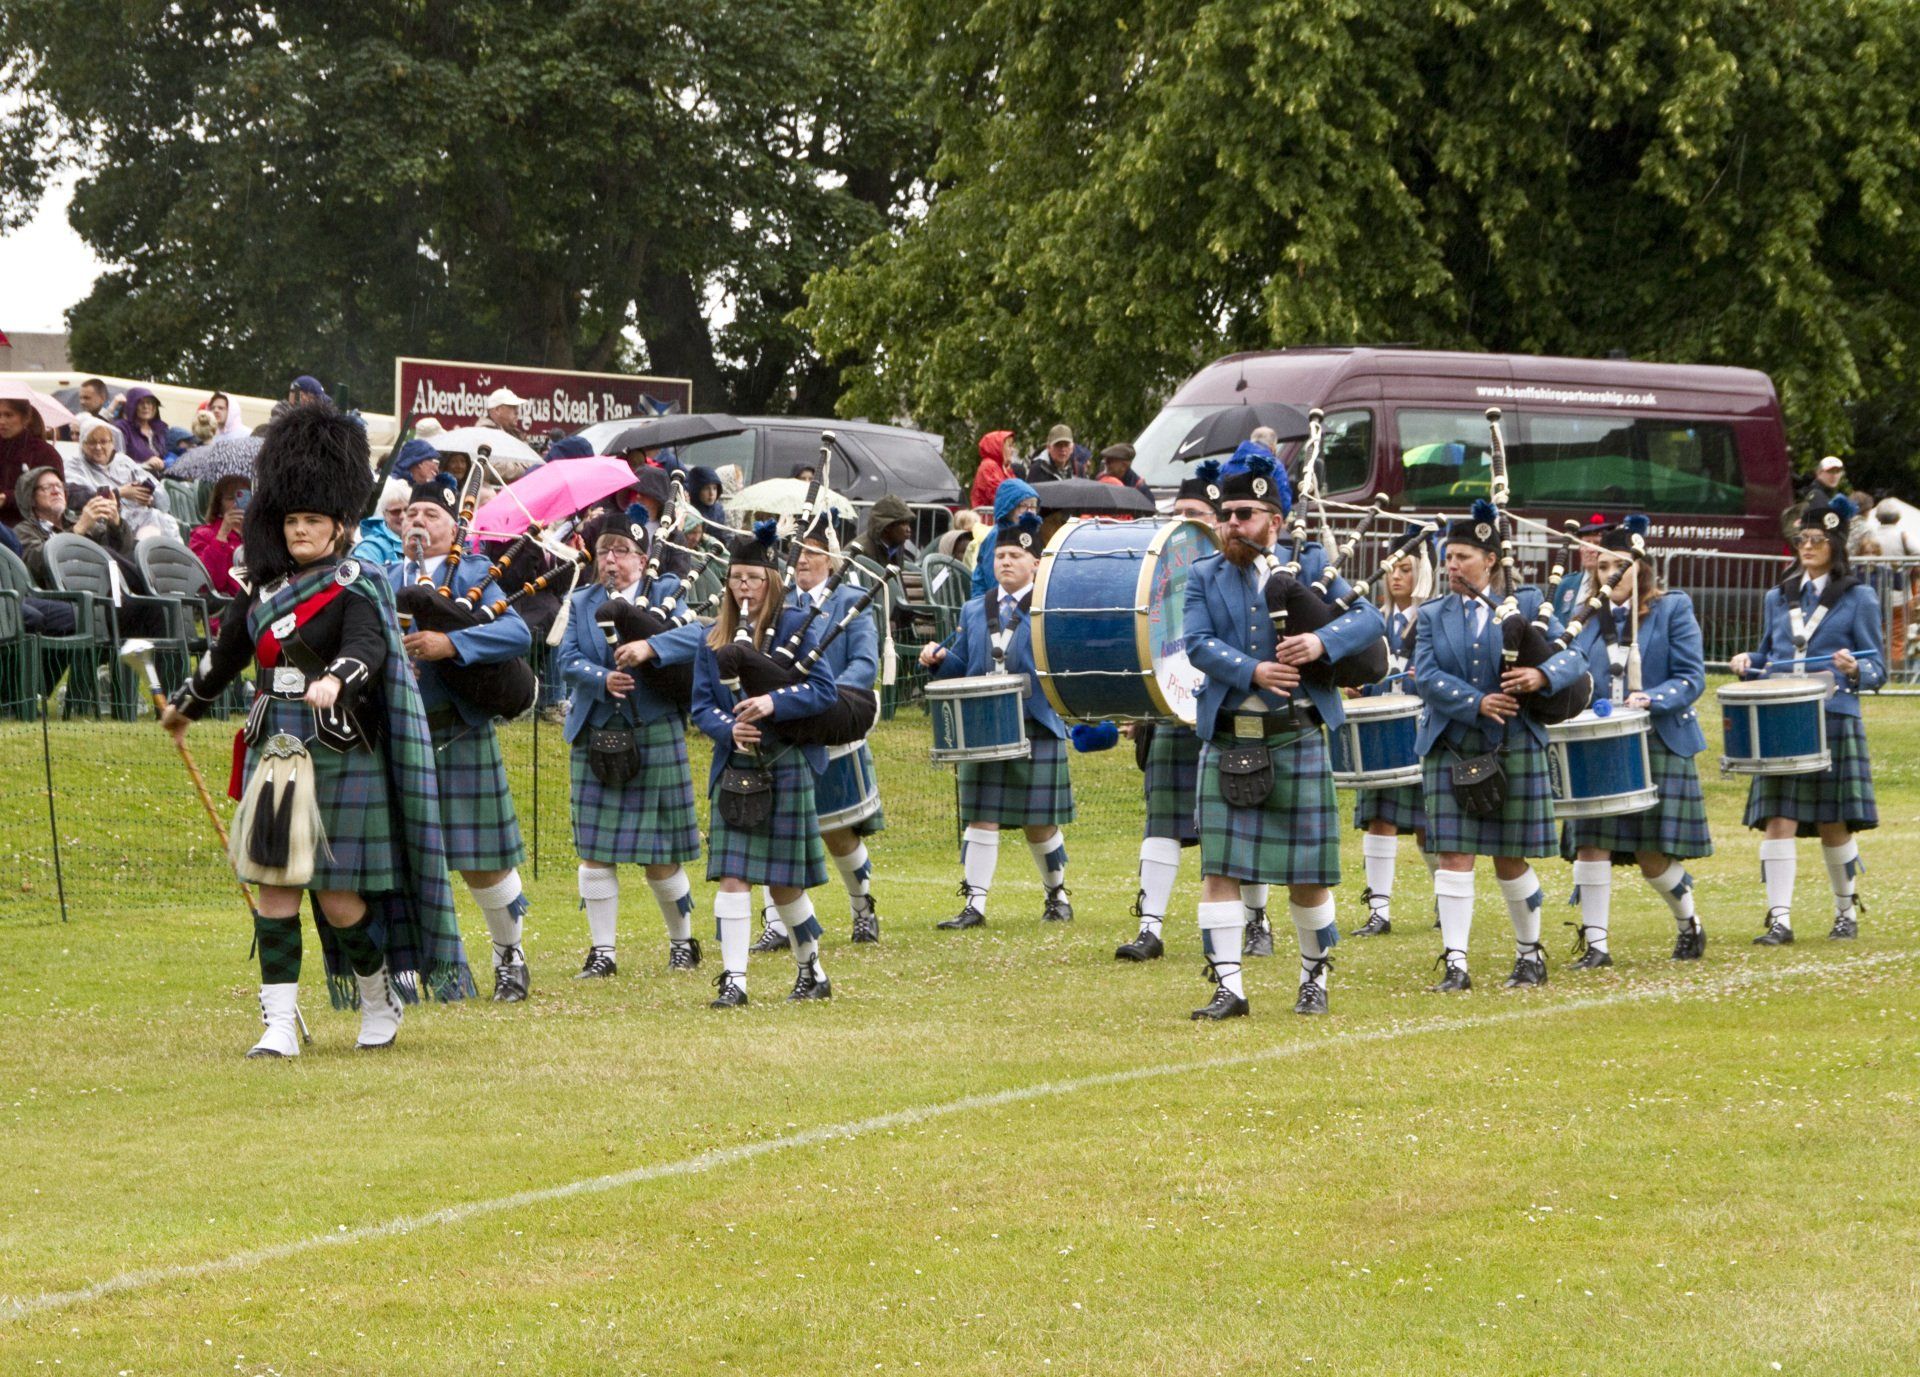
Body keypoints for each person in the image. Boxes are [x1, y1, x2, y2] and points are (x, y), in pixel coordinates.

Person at [159, 406, 475, 1057]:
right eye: (292, 521)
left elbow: (369, 648)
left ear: (339, 525)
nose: (300, 530)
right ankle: (277, 1023)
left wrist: (337, 677)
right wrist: (186, 705)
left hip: (337, 744)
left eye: (312, 520)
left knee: (336, 895)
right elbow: (226, 656)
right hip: (275, 744)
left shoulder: (358, 582)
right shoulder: (262, 588)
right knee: (274, 887)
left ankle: (377, 998)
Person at [1180, 445, 1387, 1019]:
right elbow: (1196, 644)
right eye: (1226, 515)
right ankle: (1229, 988)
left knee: (1308, 877)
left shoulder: (1312, 565)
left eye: (1244, 515)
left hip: (1295, 734)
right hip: (1230, 736)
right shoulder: (1204, 575)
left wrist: (1321, 641)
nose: (1231, 525)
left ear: (1274, 520)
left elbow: (1370, 619)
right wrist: (1253, 671)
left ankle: (1314, 980)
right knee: (1219, 868)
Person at [1413, 501, 1591, 993]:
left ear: (1490, 560)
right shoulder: (1432, 615)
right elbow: (1426, 675)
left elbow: (1574, 657)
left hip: (1513, 741)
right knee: (1453, 855)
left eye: (1463, 557)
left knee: (1510, 858)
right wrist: (1477, 701)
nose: (1452, 566)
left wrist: (1540, 675)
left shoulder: (1529, 605)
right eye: (1448, 557)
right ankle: (1456, 964)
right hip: (1452, 742)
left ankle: (1530, 955)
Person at [387, 477, 538, 1001]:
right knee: (398, 860)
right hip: (398, 733)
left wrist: (450, 643)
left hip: (459, 731)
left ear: (454, 529)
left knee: (482, 860)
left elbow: (517, 634)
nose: (418, 521)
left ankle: (509, 956)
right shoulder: (382, 576)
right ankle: (405, 968)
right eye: (411, 514)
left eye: (431, 514)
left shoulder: (473, 573)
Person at [1117, 461, 1268, 963]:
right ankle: (1149, 927)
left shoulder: (1244, 571)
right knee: (1160, 820)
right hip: (1171, 710)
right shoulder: (1156, 572)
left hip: (1230, 710)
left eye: (1197, 513)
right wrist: (1142, 702)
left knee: (1241, 822)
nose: (1184, 522)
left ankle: (1257, 921)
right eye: (1178, 512)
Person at [553, 512, 710, 979]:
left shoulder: (666, 594)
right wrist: (602, 678)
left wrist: (650, 648)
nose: (611, 560)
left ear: (642, 559)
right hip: (595, 730)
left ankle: (682, 944)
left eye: (622, 551)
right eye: (604, 551)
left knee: (661, 855)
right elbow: (566, 659)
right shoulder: (582, 601)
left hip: (653, 728)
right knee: (595, 853)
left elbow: (702, 635)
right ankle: (603, 952)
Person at [692, 523, 842, 1007]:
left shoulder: (798, 625)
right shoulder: (711, 637)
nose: (745, 587)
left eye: (754, 578)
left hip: (786, 761)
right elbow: (701, 706)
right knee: (733, 875)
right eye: (737, 578)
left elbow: (823, 691)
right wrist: (728, 729)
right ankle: (734, 981)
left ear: (772, 581)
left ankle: (812, 971)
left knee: (784, 885)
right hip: (736, 767)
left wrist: (773, 703)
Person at [1731, 496, 1884, 945]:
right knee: (1779, 817)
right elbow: (1768, 655)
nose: (1808, 546)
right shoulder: (1778, 596)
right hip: (1781, 716)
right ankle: (1779, 920)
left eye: (1817, 539)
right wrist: (1748, 661)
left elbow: (1877, 668)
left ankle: (1845, 912)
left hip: (1832, 714)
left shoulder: (1859, 597)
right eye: (1802, 539)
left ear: (1836, 545)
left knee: (1834, 822)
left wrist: (1855, 669)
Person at [1560, 516, 1713, 964]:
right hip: (1598, 739)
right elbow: (1570, 668)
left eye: (1619, 566)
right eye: (1603, 566)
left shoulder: (1671, 608)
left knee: (1651, 854)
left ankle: (1689, 922)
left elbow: (1691, 677)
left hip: (1657, 737)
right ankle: (1596, 946)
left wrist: (1653, 698)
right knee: (1591, 844)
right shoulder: (1586, 617)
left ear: (1640, 568)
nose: (1610, 574)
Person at [921, 513, 1075, 930]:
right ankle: (974, 904)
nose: (1006, 562)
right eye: (1000, 556)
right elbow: (963, 666)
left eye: (1015, 556)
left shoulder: (1048, 609)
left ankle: (1057, 895)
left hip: (1035, 722)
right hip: (983, 725)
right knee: (980, 816)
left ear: (1035, 563)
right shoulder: (975, 609)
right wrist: (938, 660)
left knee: (1039, 821)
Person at [751, 512, 887, 953]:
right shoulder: (776, 600)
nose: (804, 560)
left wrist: (826, 702)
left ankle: (862, 907)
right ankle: (776, 924)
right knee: (772, 829)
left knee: (837, 831)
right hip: (780, 730)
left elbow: (864, 663)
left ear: (832, 558)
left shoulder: (852, 599)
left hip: (829, 723)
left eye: (814, 552)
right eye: (799, 552)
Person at [1346, 531, 1436, 938]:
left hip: (1421, 732)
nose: (1396, 577)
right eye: (1392, 570)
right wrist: (1356, 685)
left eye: (1406, 569)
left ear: (1423, 574)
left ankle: (1444, 897)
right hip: (1379, 733)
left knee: (1427, 826)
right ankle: (1378, 911)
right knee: (1379, 820)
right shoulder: (1374, 621)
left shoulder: (1433, 619)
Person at [13, 465, 139, 585]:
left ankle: (147, 587)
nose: (56, 491)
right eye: (47, 487)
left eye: (59, 486)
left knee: (134, 551)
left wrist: (115, 523)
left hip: (102, 586)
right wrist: (77, 530)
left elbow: (121, 549)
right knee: (105, 554)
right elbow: (37, 563)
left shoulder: (76, 520)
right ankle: (148, 587)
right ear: (31, 499)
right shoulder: (23, 530)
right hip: (65, 591)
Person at [68, 416, 173, 541]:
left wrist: (149, 497)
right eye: (92, 442)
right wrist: (120, 492)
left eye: (103, 442)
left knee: (163, 522)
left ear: (112, 443)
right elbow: (78, 497)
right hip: (104, 527)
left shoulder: (123, 462)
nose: (98, 447)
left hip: (140, 519)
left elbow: (159, 491)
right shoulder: (74, 466)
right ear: (82, 444)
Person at [1, 398, 67, 527]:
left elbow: (54, 495)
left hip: (30, 527)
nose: (2, 421)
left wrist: (7, 498)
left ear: (25, 418)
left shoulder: (45, 453)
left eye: (8, 415)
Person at [968, 478, 1039, 596]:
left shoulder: (1025, 533)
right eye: (1024, 506)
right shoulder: (997, 536)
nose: (1030, 512)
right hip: (988, 601)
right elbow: (995, 582)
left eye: (1033, 506)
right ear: (1009, 507)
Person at [188, 475, 250, 601]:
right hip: (226, 606)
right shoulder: (203, 535)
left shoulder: (259, 534)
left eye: (242, 496)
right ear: (219, 504)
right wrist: (222, 535)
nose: (236, 503)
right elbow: (207, 584)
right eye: (230, 498)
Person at [1551, 515, 1609, 623]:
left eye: (1597, 543)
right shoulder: (1566, 583)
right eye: (1585, 543)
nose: (1590, 549)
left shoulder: (1612, 585)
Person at [112, 387, 171, 473]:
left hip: (159, 477)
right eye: (140, 402)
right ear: (132, 406)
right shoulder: (122, 427)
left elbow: (168, 453)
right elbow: (116, 460)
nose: (146, 406)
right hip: (133, 478)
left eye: (149, 402)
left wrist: (166, 462)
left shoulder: (160, 428)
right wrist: (144, 464)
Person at [353, 478, 411, 564]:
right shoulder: (370, 548)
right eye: (395, 511)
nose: (403, 516)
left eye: (408, 510)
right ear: (385, 514)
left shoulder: (423, 540)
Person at [971, 430, 1016, 509]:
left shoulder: (1001, 467)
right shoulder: (989, 466)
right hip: (988, 516)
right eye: (1009, 446)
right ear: (998, 447)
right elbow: (1000, 494)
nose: (1013, 450)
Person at [686, 465, 728, 531]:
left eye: (714, 488)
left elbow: (722, 534)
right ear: (696, 490)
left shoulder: (719, 510)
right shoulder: (688, 511)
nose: (711, 493)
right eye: (706, 488)